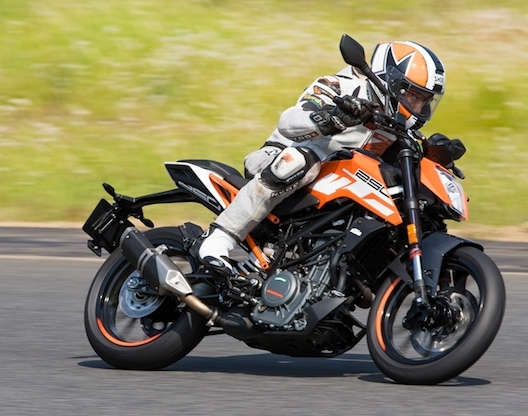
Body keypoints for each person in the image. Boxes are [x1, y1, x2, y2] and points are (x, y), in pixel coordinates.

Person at [195, 39, 447, 275]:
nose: (418, 107)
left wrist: (437, 155)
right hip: (276, 159)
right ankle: (219, 239)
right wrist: (331, 117)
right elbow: (289, 122)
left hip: (334, 185)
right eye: (413, 95)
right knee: (299, 162)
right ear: (390, 81)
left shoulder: (399, 127)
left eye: (425, 100)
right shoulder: (338, 86)